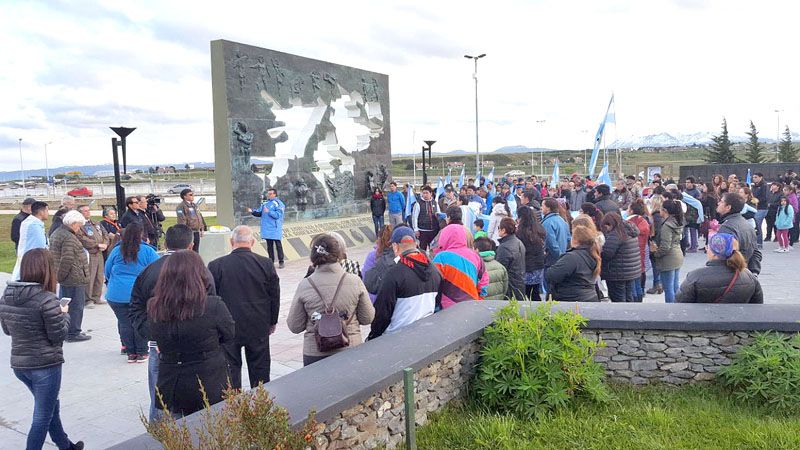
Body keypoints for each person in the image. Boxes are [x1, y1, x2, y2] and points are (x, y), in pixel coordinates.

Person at [129, 224, 216, 422]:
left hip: (162, 347)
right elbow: (212, 309)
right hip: (192, 349)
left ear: (166, 243)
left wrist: (152, 334)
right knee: (197, 403)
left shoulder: (148, 271)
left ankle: (161, 437)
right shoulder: (202, 272)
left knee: (161, 399)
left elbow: (135, 308)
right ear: (192, 245)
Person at [0, 249, 84, 450]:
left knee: (50, 407)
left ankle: (65, 445)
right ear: (48, 270)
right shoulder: (47, 300)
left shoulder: (7, 296)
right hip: (45, 365)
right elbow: (59, 335)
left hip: (20, 365)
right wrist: (63, 314)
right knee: (42, 417)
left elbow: (7, 330)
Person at [148, 250, 234, 417]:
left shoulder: (154, 306)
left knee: (181, 434)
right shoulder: (213, 305)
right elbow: (229, 334)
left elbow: (154, 335)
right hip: (209, 379)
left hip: (172, 381)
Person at [208, 226, 280, 389]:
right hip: (258, 323)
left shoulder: (216, 266)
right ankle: (261, 403)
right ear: (253, 242)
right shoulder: (265, 263)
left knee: (229, 369)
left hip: (227, 325)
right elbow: (274, 294)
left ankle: (232, 405)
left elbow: (211, 298)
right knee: (260, 368)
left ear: (231, 241)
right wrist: (272, 321)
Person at [287, 234, 374, 366]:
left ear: (313, 256)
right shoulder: (354, 281)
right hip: (351, 348)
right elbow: (367, 318)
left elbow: (295, 326)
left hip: (315, 353)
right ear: (339, 254)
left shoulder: (305, 285)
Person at [368, 227, 441, 340]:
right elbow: (437, 304)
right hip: (425, 333)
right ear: (415, 244)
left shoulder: (394, 274)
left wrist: (373, 336)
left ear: (395, 247)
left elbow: (382, 313)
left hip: (397, 337)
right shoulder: (435, 271)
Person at [105, 222, 159, 362]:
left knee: (124, 322)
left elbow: (107, 270)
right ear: (142, 234)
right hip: (138, 293)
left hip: (116, 294)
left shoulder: (117, 250)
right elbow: (158, 270)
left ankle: (130, 351)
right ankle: (141, 351)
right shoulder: (148, 251)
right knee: (139, 321)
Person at [676, 233, 763, 304]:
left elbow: (680, 305)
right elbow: (757, 306)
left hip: (705, 324)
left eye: (708, 247)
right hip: (738, 323)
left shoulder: (695, 276)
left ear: (714, 253)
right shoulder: (748, 276)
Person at [50, 210, 90, 342]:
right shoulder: (69, 238)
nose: (80, 229)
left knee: (65, 304)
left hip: (67, 277)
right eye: (79, 225)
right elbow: (67, 259)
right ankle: (74, 332)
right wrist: (61, 276)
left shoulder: (58, 233)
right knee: (76, 306)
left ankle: (66, 330)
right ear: (73, 224)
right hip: (73, 277)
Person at [432, 223, 488, 309]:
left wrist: (436, 308)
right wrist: (479, 299)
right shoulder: (476, 256)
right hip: (471, 306)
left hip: (447, 310)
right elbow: (484, 281)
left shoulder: (440, 258)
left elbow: (433, 286)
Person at [545, 225, 602, 302]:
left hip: (571, 299)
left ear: (575, 240)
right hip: (589, 297)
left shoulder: (572, 257)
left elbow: (552, 275)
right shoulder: (593, 254)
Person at [600, 213, 642, 302]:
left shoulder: (615, 234)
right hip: (630, 271)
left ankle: (622, 315)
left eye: (606, 226)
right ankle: (630, 314)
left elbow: (607, 253)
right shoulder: (630, 231)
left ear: (610, 224)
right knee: (628, 296)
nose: (606, 230)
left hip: (617, 273)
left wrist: (599, 250)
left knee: (618, 299)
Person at [716, 192, 762, 275]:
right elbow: (755, 252)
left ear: (728, 207)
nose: (718, 203)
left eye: (722, 201)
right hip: (745, 272)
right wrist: (754, 272)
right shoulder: (747, 224)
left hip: (731, 273)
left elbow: (723, 255)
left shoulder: (728, 227)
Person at [651, 199, 685, 303]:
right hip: (677, 255)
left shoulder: (666, 226)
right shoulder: (677, 222)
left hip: (668, 258)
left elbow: (665, 246)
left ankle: (671, 309)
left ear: (665, 211)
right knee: (675, 285)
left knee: (668, 288)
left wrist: (656, 253)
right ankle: (678, 306)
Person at [76, 205, 110, 306]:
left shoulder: (96, 223)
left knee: (99, 276)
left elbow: (105, 234)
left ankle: (97, 296)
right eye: (85, 211)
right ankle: (88, 299)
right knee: (90, 275)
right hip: (90, 253)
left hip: (99, 252)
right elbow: (82, 238)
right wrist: (96, 245)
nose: (87, 212)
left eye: (88, 210)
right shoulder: (80, 225)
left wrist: (105, 243)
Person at [247, 189, 286, 268]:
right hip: (267, 228)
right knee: (269, 246)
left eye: (271, 194)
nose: (269, 195)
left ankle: (281, 261)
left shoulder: (279, 203)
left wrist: (269, 212)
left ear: (275, 194)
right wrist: (252, 211)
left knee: (278, 245)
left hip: (275, 228)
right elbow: (260, 213)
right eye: (268, 194)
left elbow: (278, 215)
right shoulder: (265, 203)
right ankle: (271, 262)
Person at [12, 201, 49, 281]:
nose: (48, 213)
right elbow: (41, 246)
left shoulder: (31, 222)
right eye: (47, 211)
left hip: (27, 258)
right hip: (32, 261)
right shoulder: (33, 225)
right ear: (41, 212)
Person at [516, 206, 546, 301]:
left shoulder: (521, 231)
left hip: (527, 266)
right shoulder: (539, 228)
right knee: (535, 292)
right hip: (539, 265)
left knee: (526, 293)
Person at [495, 217, 526, 300]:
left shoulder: (504, 247)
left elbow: (500, 270)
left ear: (503, 230)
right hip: (520, 284)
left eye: (499, 228)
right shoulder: (519, 242)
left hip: (509, 287)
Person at [363, 225, 395, 303]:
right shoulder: (399, 255)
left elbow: (365, 278)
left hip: (375, 299)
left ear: (379, 238)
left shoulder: (372, 255)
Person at [627, 200, 651, 302]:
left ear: (631, 211)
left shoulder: (629, 222)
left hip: (630, 255)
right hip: (640, 252)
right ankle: (639, 300)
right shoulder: (644, 221)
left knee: (632, 282)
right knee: (638, 280)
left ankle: (635, 301)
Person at [541, 198, 570, 271]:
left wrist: (559, 256)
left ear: (548, 208)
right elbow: (568, 239)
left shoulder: (548, 223)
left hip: (552, 260)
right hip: (562, 257)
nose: (541, 208)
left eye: (542, 205)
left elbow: (551, 243)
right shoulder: (561, 220)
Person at [411, 186, 440, 251]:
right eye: (423, 193)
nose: (425, 195)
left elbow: (439, 214)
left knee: (434, 249)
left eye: (426, 193)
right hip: (422, 231)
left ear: (431, 193)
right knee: (422, 250)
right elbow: (414, 217)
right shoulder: (418, 204)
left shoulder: (435, 203)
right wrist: (416, 229)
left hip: (433, 230)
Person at [750, 172, 768, 247]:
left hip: (762, 208)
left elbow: (765, 197)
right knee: (755, 224)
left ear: (761, 177)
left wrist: (757, 200)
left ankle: (759, 242)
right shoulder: (754, 186)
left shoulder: (764, 186)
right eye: (753, 177)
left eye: (756, 177)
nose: (754, 179)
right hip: (755, 207)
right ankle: (755, 242)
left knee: (757, 224)